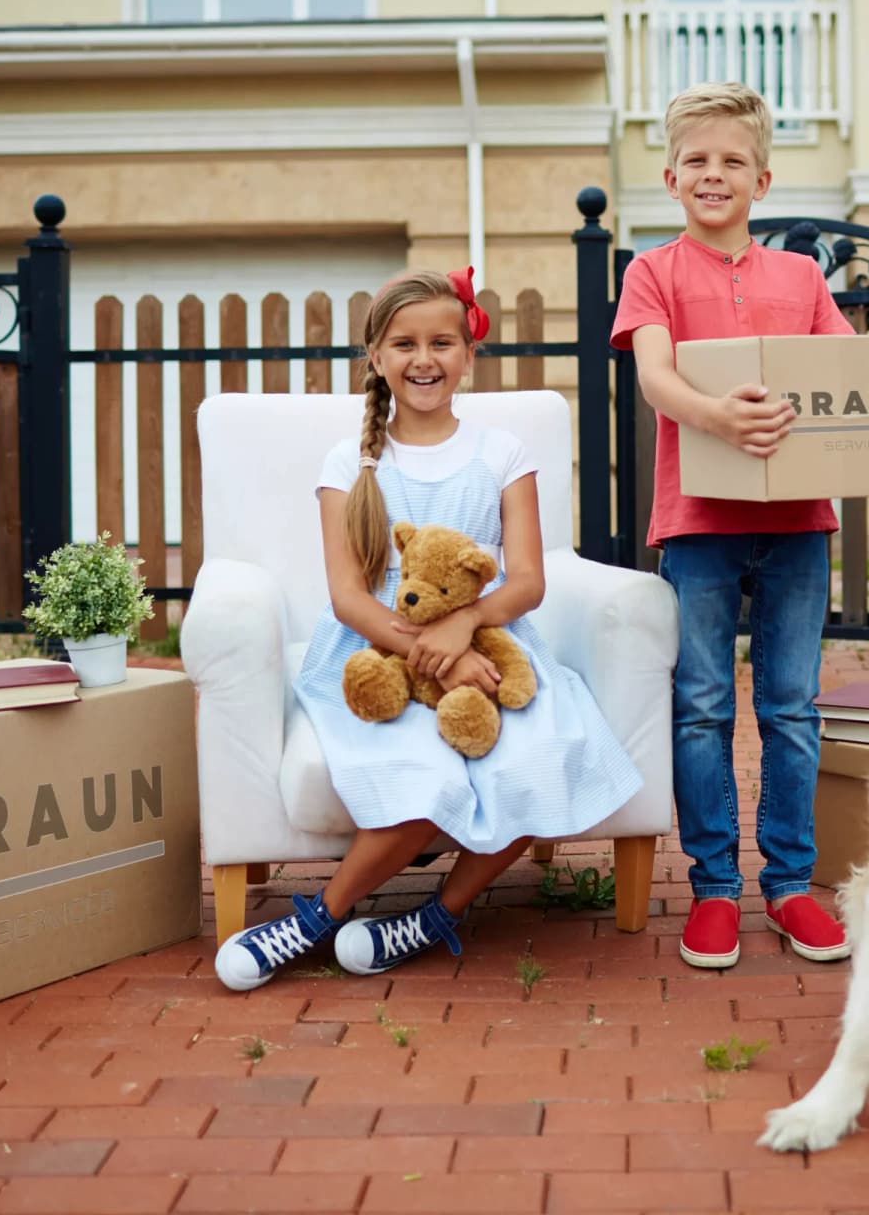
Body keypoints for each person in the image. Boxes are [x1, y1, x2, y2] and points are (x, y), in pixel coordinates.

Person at [214, 267, 643, 990]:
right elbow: (349, 597)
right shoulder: (348, 462)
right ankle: (317, 919)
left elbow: (529, 580)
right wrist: (434, 654)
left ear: (468, 354)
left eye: (442, 342)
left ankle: (437, 913)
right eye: (404, 343)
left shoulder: (501, 453)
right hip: (376, 651)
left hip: (488, 646)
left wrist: (468, 625)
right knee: (428, 775)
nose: (424, 359)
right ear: (377, 357)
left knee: (544, 754)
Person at [610, 82, 869, 970]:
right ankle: (715, 889)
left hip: (800, 521)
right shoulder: (651, 272)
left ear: (762, 182)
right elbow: (656, 378)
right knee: (700, 706)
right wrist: (718, 419)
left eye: (732, 161)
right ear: (671, 176)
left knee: (792, 708)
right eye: (697, 161)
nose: (713, 174)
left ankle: (792, 886)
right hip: (697, 524)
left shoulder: (802, 277)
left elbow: (850, 379)